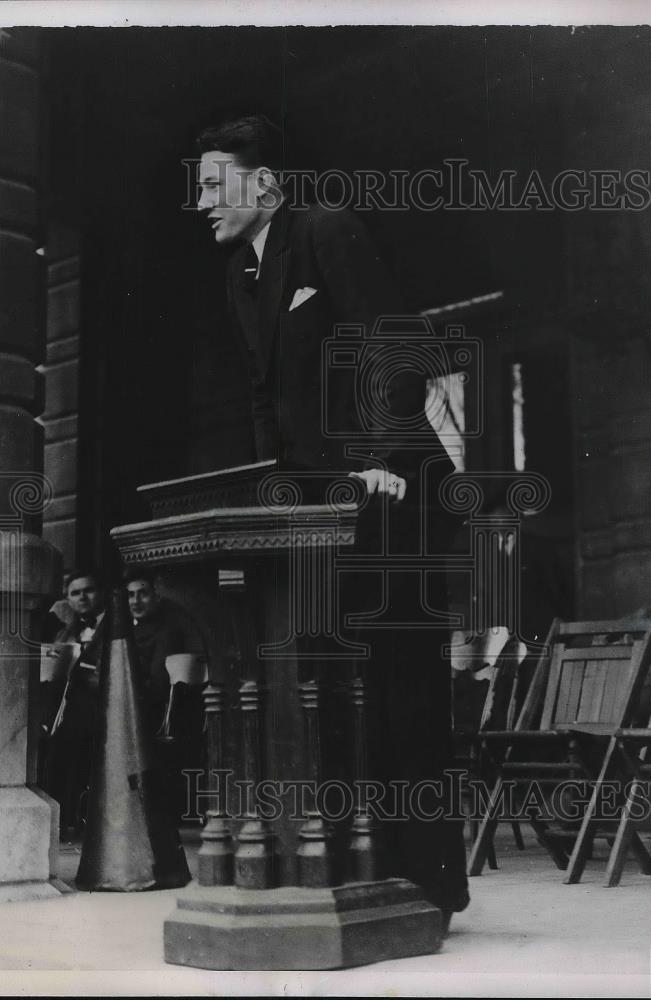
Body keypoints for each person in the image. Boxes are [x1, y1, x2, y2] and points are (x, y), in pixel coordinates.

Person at [196, 115, 469, 929]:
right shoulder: (243, 273)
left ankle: (429, 888)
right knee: (338, 683)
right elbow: (262, 399)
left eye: (215, 185)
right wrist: (266, 488)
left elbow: (393, 343)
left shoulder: (327, 231)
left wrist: (381, 455)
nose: (203, 202)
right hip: (321, 507)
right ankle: (361, 868)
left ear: (266, 186)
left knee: (401, 683)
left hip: (396, 493)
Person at [126, 569, 206, 820]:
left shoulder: (168, 630)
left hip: (158, 710)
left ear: (157, 596)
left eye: (143, 594)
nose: (135, 601)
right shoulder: (129, 628)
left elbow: (159, 683)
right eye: (130, 595)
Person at [42, 569, 106, 838]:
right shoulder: (68, 629)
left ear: (100, 593)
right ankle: (61, 819)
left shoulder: (114, 625)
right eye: (75, 593)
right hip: (67, 705)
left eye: (88, 590)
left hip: (98, 705)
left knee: (70, 744)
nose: (82, 597)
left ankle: (73, 819)